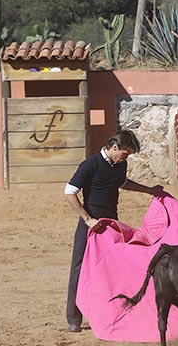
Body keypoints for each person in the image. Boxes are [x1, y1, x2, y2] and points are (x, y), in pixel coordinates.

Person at [64, 129, 162, 332]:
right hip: (91, 225)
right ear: (114, 147)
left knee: (112, 269)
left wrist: (149, 190)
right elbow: (70, 191)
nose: (125, 158)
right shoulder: (90, 164)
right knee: (79, 268)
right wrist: (87, 218)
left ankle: (111, 314)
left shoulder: (120, 164)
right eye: (125, 154)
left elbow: (122, 183)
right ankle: (73, 318)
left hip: (111, 225)